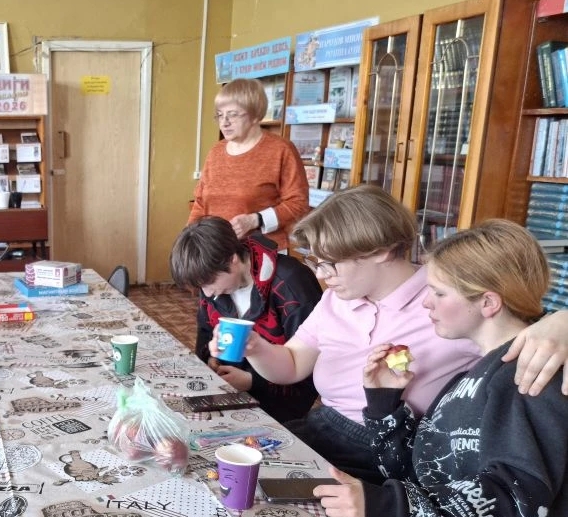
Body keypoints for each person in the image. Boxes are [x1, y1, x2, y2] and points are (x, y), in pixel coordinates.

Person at [315, 220, 568, 517]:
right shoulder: (472, 374)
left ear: (487, 302)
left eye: (439, 293)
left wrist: (389, 507)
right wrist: (384, 403)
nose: (426, 303)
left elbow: (518, 494)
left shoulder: (532, 373)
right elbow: (419, 472)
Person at [236, 185, 568, 483]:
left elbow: (515, 328)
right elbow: (293, 364)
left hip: (387, 451)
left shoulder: (450, 301)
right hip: (323, 426)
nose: (322, 276)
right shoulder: (338, 297)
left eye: (331, 263)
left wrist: (561, 321)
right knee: (235, 462)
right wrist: (255, 347)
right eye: (316, 262)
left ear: (380, 251)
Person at [170, 216, 321, 423]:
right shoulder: (213, 287)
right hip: (227, 393)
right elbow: (205, 335)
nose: (207, 293)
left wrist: (252, 381)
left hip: (280, 408)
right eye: (201, 287)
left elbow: (311, 367)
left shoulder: (291, 284)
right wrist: (211, 361)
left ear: (232, 259)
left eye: (209, 282)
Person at [188, 78, 309, 249]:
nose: (224, 122)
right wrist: (189, 240)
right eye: (220, 115)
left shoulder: (281, 150)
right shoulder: (215, 152)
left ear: (255, 115)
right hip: (216, 250)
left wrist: (255, 220)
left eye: (233, 114)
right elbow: (200, 203)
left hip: (261, 252)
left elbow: (298, 204)